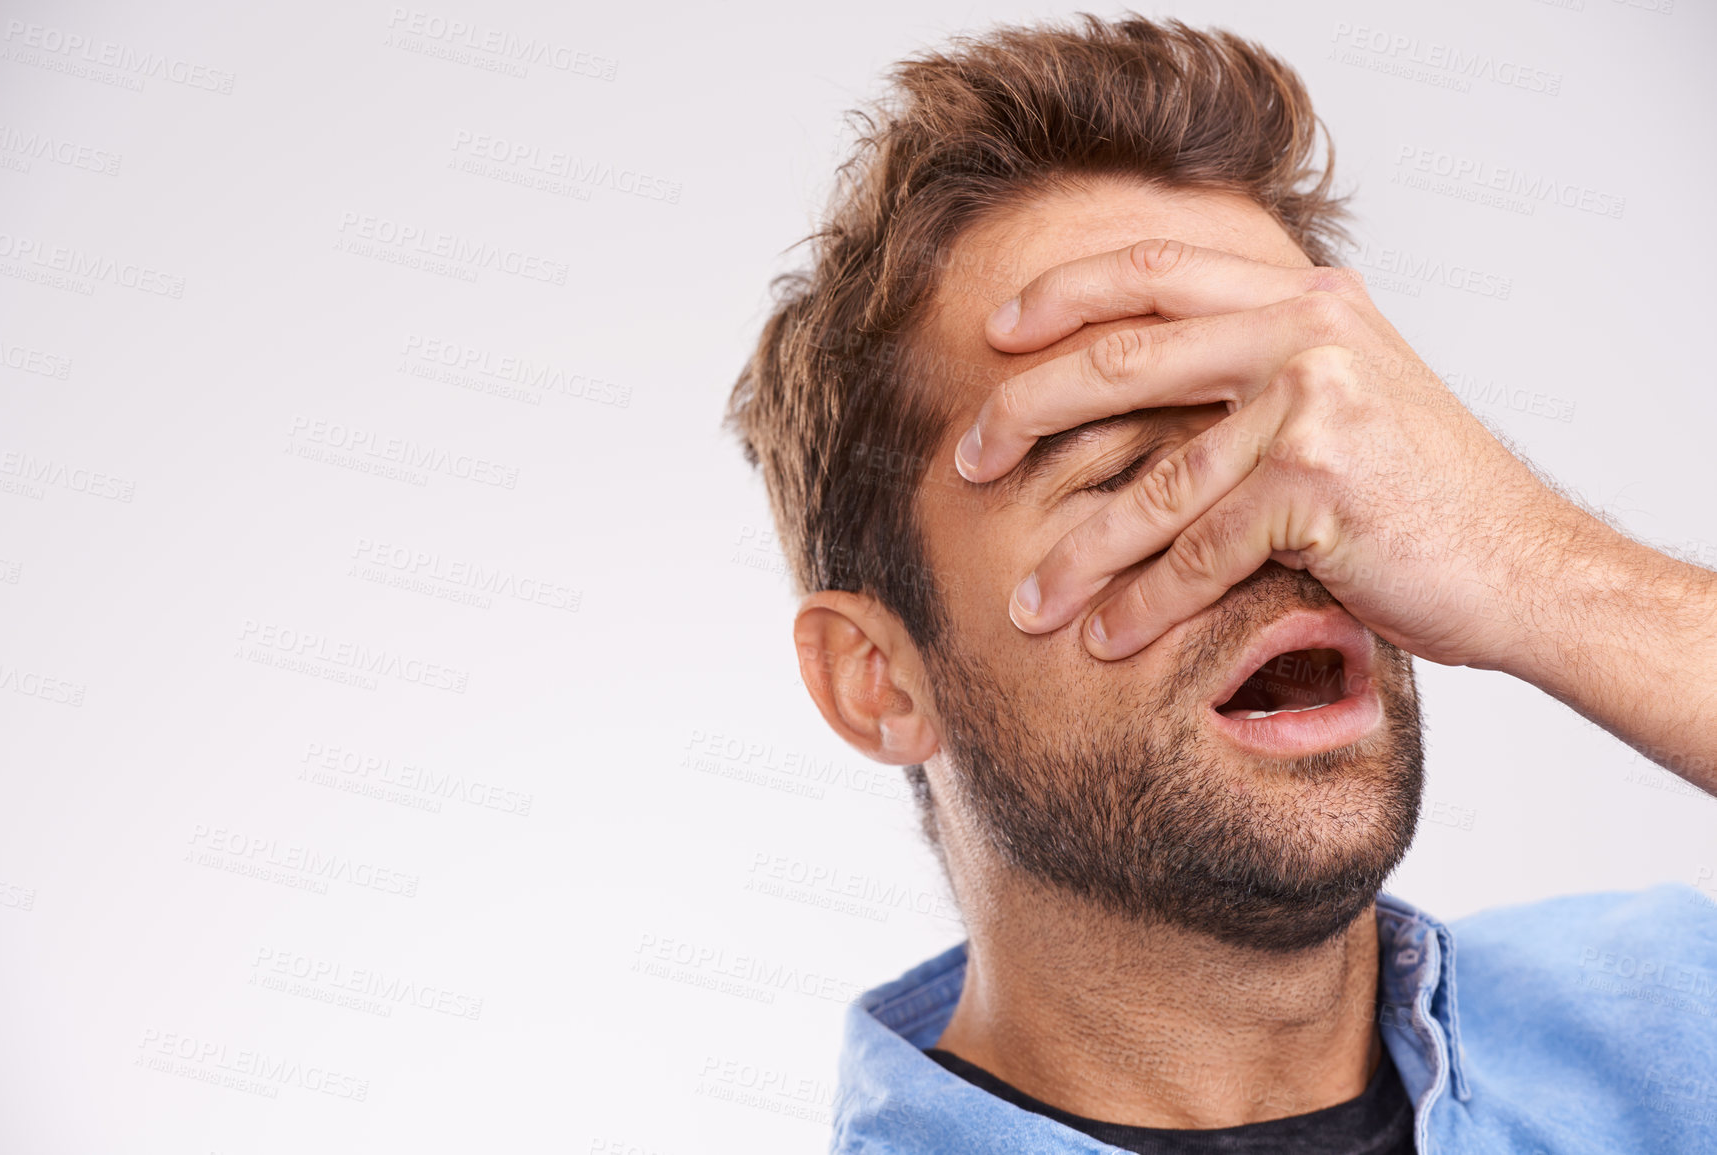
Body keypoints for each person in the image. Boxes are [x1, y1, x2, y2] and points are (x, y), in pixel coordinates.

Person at [724, 14, 1717, 1154]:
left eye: (1312, 442)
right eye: (1133, 477)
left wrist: (1536, 569)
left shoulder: (1678, 1011)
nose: (1283, 530)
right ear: (877, 681)